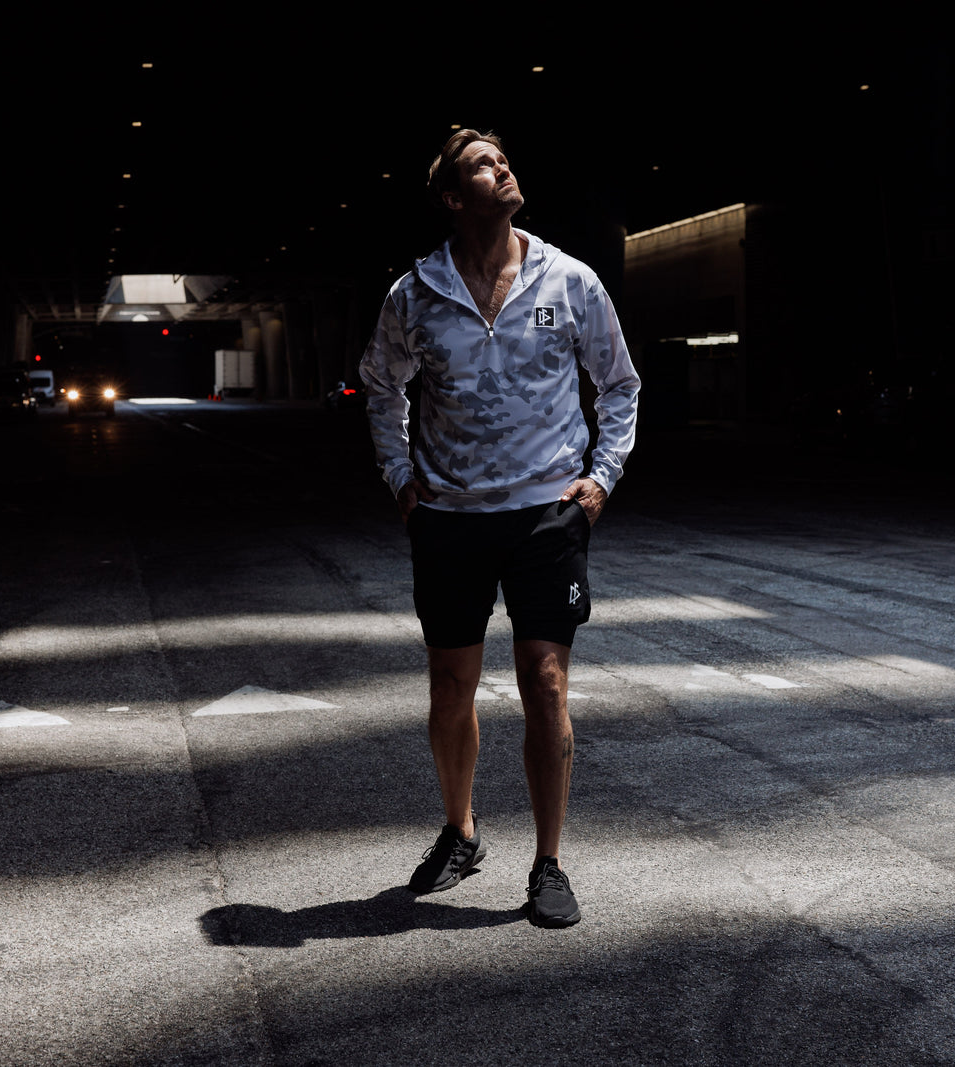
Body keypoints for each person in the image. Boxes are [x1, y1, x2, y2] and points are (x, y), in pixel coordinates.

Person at [359, 129, 640, 928]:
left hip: (548, 515)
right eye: (484, 164)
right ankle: (462, 831)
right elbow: (381, 389)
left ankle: (548, 862)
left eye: (505, 158)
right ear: (453, 197)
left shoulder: (569, 278)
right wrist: (402, 481)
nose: (504, 168)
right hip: (449, 516)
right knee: (450, 686)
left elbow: (619, 383)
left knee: (545, 681)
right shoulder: (413, 294)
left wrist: (601, 480)